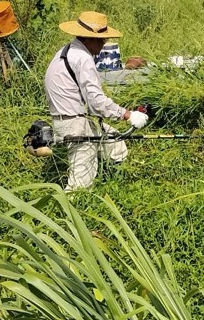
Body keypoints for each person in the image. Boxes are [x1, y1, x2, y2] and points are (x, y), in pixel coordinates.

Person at [43, 10, 149, 191]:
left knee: (116, 144)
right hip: (74, 124)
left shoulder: (67, 50)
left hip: (67, 119)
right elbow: (96, 103)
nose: (104, 43)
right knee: (80, 184)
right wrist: (127, 115)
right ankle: (68, 215)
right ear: (89, 38)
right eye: (101, 40)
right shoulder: (83, 59)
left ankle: (116, 186)